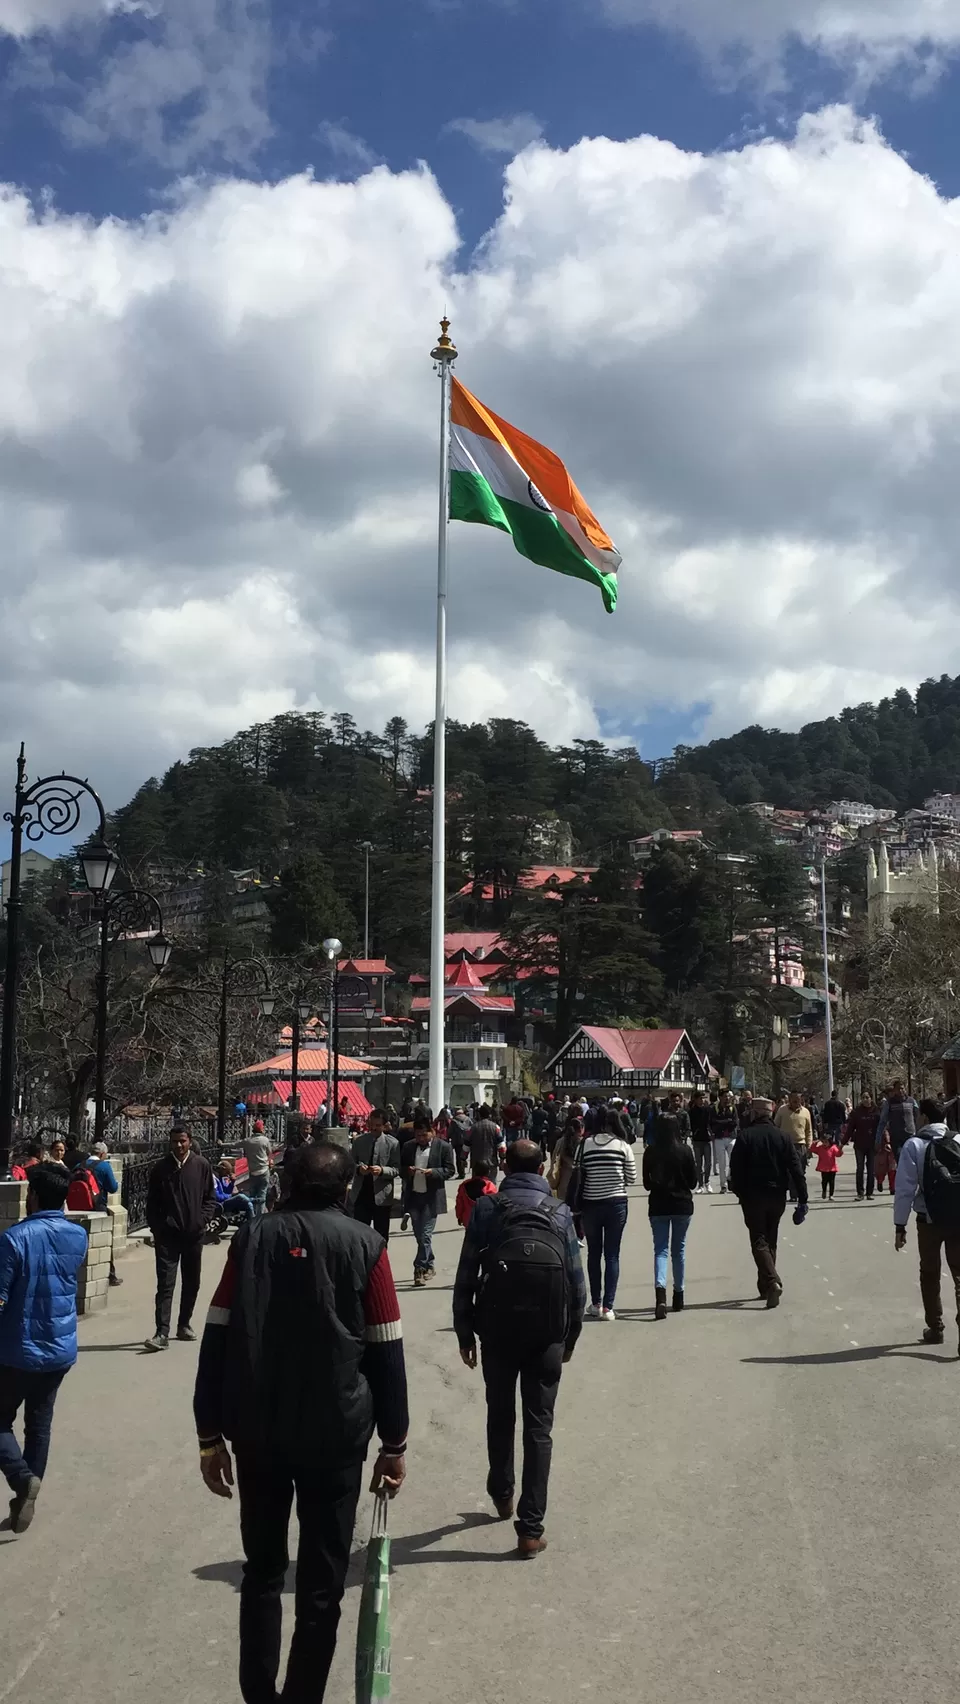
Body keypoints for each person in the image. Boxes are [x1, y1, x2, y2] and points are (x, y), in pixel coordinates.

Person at [193, 1142, 408, 1704]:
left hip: (258, 1431)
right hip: (337, 1433)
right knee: (322, 1583)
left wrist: (208, 1435)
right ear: (344, 1189)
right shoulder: (368, 1245)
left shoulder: (251, 1239)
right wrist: (394, 1442)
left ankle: (259, 1695)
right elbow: (387, 1348)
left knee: (262, 1572)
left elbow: (217, 1333)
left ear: (288, 1183)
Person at [453, 1138, 585, 1558]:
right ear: (542, 1167)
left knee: (499, 1410)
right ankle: (530, 1528)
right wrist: (571, 1336)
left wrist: (464, 1332)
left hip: (498, 1328)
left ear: (505, 1168)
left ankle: (501, 1490)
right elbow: (577, 1285)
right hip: (547, 1331)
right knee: (539, 1425)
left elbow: (467, 1272)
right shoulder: (560, 1212)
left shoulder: (488, 1210)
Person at [0, 1163, 87, 1534]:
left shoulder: (14, 1239)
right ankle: (26, 1497)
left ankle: (22, 1480)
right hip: (60, 1346)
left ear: (32, 1196)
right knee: (39, 1425)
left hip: (17, 1350)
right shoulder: (77, 1236)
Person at [893, 1097, 960, 1348]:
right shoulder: (958, 1140)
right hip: (958, 1217)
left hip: (928, 1219)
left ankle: (935, 1326)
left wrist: (900, 1226)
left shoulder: (914, 1145)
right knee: (959, 1274)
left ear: (923, 1117)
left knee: (930, 1273)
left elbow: (904, 1190)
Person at [729, 1098, 808, 1306]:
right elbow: (796, 1168)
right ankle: (765, 1285)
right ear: (771, 1114)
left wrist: (739, 1193)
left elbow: (735, 1170)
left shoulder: (745, 1137)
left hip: (753, 1196)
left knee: (758, 1240)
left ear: (754, 1114)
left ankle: (772, 1281)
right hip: (777, 1195)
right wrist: (803, 1198)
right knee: (770, 1238)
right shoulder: (782, 1137)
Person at [144, 1124, 215, 1351]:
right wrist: (159, 1228)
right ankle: (161, 1332)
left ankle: (184, 1324)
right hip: (167, 1238)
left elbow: (210, 1198)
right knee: (166, 1284)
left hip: (193, 1235)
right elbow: (152, 1204)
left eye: (182, 1141)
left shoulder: (201, 1165)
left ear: (189, 1141)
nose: (178, 1145)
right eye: (174, 1141)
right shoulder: (160, 1169)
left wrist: (201, 1220)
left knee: (192, 1282)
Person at [579, 1106, 637, 1321]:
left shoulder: (585, 1144)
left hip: (591, 1204)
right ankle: (608, 1307)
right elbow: (631, 1177)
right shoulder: (622, 1145)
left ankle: (595, 1303)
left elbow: (579, 1172)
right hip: (616, 1203)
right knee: (612, 1254)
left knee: (594, 1253)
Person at [642, 1114, 698, 1318]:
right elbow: (693, 1182)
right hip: (682, 1204)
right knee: (678, 1250)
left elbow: (647, 1183)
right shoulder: (685, 1150)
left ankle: (660, 1296)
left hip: (658, 1204)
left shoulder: (650, 1151)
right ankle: (679, 1294)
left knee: (661, 1251)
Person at [399, 1111, 455, 1285]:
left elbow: (450, 1170)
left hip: (432, 1198)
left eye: (424, 1135)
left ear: (432, 1131)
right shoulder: (408, 1147)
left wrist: (434, 1172)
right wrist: (406, 1171)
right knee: (419, 1235)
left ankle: (419, 1269)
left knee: (425, 1235)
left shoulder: (443, 1147)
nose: (421, 1138)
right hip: (414, 1196)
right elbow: (400, 1169)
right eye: (418, 1135)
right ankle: (430, 1262)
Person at [349, 1109, 401, 1242]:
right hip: (361, 1194)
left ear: (385, 1126)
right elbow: (349, 1164)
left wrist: (382, 1170)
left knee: (381, 1235)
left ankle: (380, 1261)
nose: (374, 1128)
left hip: (381, 1196)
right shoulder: (359, 1142)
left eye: (378, 1125)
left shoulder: (393, 1144)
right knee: (359, 1234)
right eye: (371, 1124)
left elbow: (396, 1169)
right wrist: (359, 1169)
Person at [86, 1140, 123, 1285]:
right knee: (105, 1241)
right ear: (102, 1154)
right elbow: (113, 1188)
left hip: (79, 1208)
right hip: (98, 1207)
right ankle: (110, 1275)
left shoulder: (79, 1165)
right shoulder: (104, 1166)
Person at [877, 1080, 921, 1161]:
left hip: (910, 1136)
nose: (900, 1091)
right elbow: (883, 1121)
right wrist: (878, 1139)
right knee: (900, 1159)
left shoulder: (911, 1101)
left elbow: (918, 1117)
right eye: (898, 1089)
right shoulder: (889, 1103)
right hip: (896, 1137)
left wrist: (918, 1133)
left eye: (902, 1088)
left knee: (911, 1160)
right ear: (894, 1090)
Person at [847, 1091, 880, 1199]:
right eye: (863, 1097)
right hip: (859, 1144)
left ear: (871, 1098)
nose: (866, 1099)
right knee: (860, 1168)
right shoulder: (857, 1112)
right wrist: (842, 1143)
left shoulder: (876, 1112)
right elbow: (850, 1129)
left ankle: (869, 1193)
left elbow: (881, 1128)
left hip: (872, 1144)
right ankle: (860, 1193)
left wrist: (882, 1142)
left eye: (867, 1097)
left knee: (871, 1169)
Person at [774, 1089, 814, 1178]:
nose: (796, 1101)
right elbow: (775, 1127)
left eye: (798, 1098)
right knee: (786, 1173)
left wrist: (809, 1147)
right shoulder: (782, 1110)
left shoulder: (806, 1112)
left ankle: (796, 1191)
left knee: (799, 1173)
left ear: (801, 1099)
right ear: (790, 1099)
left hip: (800, 1146)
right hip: (785, 1146)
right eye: (794, 1099)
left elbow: (809, 1131)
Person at [549, 1109, 584, 1203]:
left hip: (564, 1181)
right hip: (581, 1183)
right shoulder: (584, 1143)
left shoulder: (561, 1141)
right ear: (581, 1129)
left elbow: (554, 1160)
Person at [709, 1091, 739, 1193]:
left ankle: (732, 1180)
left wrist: (722, 1122)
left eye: (728, 1096)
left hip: (731, 1138)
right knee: (722, 1163)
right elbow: (713, 1122)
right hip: (719, 1138)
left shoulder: (732, 1108)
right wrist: (726, 1121)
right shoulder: (714, 1109)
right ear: (720, 1097)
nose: (727, 1098)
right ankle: (723, 1185)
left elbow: (734, 1122)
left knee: (734, 1161)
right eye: (725, 1096)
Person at [455, 1159, 498, 1227]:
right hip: (485, 1220)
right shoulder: (490, 1186)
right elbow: (495, 1205)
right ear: (488, 1172)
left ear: (474, 1171)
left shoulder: (464, 1185)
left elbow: (459, 1204)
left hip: (468, 1219)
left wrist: (459, 1216)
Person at [242, 1121, 273, 1218]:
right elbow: (270, 1153)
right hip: (264, 1171)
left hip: (253, 1172)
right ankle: (260, 1218)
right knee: (262, 1195)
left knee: (252, 1196)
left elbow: (234, 1144)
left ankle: (252, 1216)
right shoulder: (265, 1140)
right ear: (262, 1130)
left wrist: (221, 1144)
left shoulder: (248, 1141)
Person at [688, 1090, 713, 1193]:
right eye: (700, 1098)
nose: (702, 1100)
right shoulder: (692, 1111)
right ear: (695, 1099)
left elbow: (711, 1122)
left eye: (704, 1098)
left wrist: (711, 1132)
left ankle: (707, 1182)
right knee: (698, 1163)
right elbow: (690, 1125)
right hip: (697, 1139)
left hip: (707, 1139)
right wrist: (691, 1133)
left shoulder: (708, 1110)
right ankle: (700, 1185)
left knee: (708, 1163)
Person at [469, 1113, 503, 1182]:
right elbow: (501, 1145)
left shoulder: (473, 1128)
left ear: (479, 1115)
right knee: (491, 1184)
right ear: (489, 1115)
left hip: (476, 1162)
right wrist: (502, 1158)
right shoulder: (495, 1127)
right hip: (491, 1161)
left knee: (476, 1185)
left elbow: (466, 1144)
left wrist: (463, 1158)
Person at [812, 1134, 842, 1200]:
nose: (824, 1143)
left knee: (832, 1182)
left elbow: (838, 1154)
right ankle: (824, 1191)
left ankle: (831, 1195)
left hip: (832, 1168)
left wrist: (840, 1149)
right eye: (823, 1142)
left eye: (826, 1142)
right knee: (824, 1181)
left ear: (830, 1142)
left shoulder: (833, 1147)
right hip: (824, 1168)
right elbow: (813, 1149)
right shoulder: (820, 1148)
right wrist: (815, 1143)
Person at [875, 1124, 898, 1196]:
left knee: (892, 1170)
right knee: (881, 1169)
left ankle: (892, 1188)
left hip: (892, 1149)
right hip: (882, 1149)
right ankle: (880, 1182)